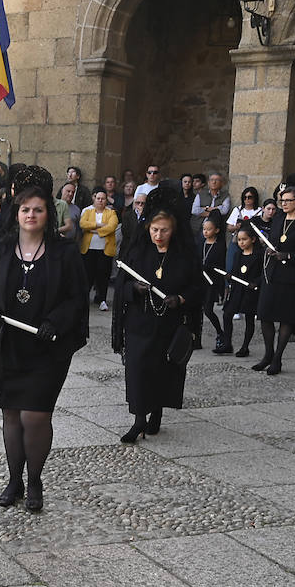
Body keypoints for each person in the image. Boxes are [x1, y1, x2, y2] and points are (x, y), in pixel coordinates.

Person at [0, 167, 87, 512]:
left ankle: (36, 478)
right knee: (12, 416)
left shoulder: (65, 252)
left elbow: (76, 298)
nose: (31, 215)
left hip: (46, 349)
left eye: (38, 210)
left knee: (35, 417)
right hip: (6, 345)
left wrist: (54, 322)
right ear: (17, 212)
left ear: (48, 214)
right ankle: (14, 479)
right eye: (26, 209)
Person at [111, 184, 203, 442]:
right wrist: (135, 289)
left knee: (162, 370)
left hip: (169, 323)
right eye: (154, 229)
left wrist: (181, 298)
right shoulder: (138, 251)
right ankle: (139, 420)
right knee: (138, 369)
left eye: (164, 230)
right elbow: (121, 284)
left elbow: (198, 287)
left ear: (173, 230)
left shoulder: (184, 256)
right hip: (140, 321)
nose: (158, 235)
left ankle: (157, 414)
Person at [253, 186, 295, 376]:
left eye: (288, 200)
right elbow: (275, 240)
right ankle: (268, 354)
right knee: (265, 314)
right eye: (282, 201)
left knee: (287, 318)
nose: (284, 204)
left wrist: (288, 256)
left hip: (292, 277)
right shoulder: (279, 218)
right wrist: (269, 249)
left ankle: (277, 358)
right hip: (271, 274)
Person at [219, 222, 262, 356]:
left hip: (250, 292)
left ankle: (245, 347)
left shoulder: (259, 256)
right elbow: (235, 271)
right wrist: (229, 276)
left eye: (244, 239)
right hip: (237, 290)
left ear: (253, 239)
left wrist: (255, 283)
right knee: (227, 315)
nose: (241, 242)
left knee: (249, 319)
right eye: (239, 240)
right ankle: (227, 343)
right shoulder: (238, 254)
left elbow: (263, 274)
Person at [78, 187, 119, 310]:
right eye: (98, 198)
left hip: (104, 250)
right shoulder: (87, 211)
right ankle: (84, 299)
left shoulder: (111, 212)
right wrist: (100, 225)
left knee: (103, 275)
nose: (100, 201)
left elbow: (112, 227)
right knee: (87, 275)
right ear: (94, 199)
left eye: (103, 199)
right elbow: (82, 224)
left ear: (106, 200)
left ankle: (102, 300)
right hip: (88, 249)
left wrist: (93, 230)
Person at [197, 214, 226, 351]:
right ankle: (196, 338)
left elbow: (220, 265)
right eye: (204, 229)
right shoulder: (200, 244)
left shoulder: (220, 246)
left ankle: (220, 332)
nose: (206, 232)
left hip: (211, 282)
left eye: (209, 229)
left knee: (208, 310)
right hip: (199, 281)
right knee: (197, 310)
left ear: (216, 230)